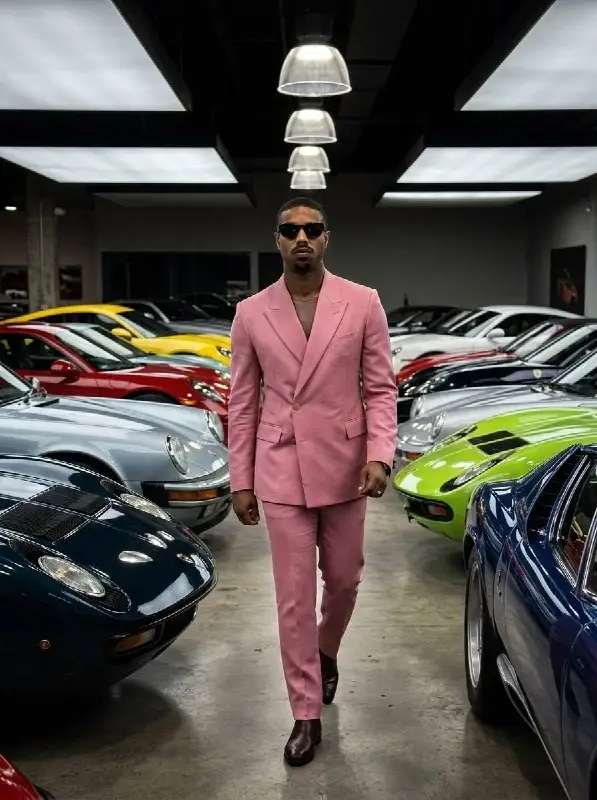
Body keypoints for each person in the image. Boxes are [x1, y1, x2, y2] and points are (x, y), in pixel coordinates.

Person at [227, 197, 397, 766]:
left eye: (312, 229)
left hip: (348, 466)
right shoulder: (252, 312)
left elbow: (379, 388)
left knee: (345, 580)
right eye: (290, 230)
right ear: (277, 240)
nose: (301, 238)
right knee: (294, 598)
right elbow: (243, 402)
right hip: (279, 468)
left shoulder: (363, 302)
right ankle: (305, 713)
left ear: (327, 239)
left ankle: (326, 652)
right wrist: (240, 479)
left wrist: (380, 453)